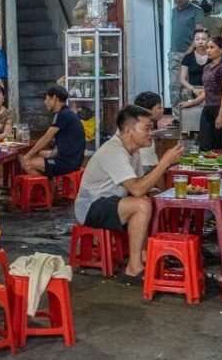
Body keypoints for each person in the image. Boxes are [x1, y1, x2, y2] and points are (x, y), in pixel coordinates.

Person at [74, 106, 184, 279]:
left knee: (155, 198)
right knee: (141, 205)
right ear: (128, 130)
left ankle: (146, 252)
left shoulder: (134, 151)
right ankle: (134, 266)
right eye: (146, 128)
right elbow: (137, 189)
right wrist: (164, 163)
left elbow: (142, 185)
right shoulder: (114, 151)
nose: (151, 133)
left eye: (151, 128)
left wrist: (161, 194)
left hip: (114, 201)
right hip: (91, 207)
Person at [178, 36, 222, 151]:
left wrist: (220, 115)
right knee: (205, 145)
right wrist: (191, 103)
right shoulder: (207, 68)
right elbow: (207, 91)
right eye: (207, 48)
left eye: (212, 47)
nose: (208, 50)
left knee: (220, 145)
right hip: (208, 108)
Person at [20, 85, 85, 177]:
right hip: (74, 159)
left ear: (54, 98)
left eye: (47, 99)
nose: (45, 102)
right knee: (41, 153)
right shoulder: (67, 113)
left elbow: (46, 138)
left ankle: (47, 189)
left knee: (26, 163)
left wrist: (28, 155)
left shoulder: (63, 115)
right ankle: (49, 183)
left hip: (67, 163)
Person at [168, 0, 205, 108]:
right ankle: (177, 117)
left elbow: (199, 34)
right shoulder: (174, 11)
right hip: (174, 54)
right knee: (174, 85)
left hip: (190, 54)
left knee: (189, 86)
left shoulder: (197, 11)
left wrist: (189, 51)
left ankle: (189, 115)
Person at [133, 91, 164, 173]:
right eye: (159, 108)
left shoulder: (133, 123)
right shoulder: (144, 134)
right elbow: (154, 169)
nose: (162, 110)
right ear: (148, 110)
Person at [180, 29, 210, 100]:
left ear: (208, 40)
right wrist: (193, 89)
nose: (200, 42)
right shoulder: (188, 57)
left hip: (210, 87)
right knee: (185, 92)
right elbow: (182, 79)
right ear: (193, 41)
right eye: (197, 39)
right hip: (193, 88)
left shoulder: (212, 56)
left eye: (203, 39)